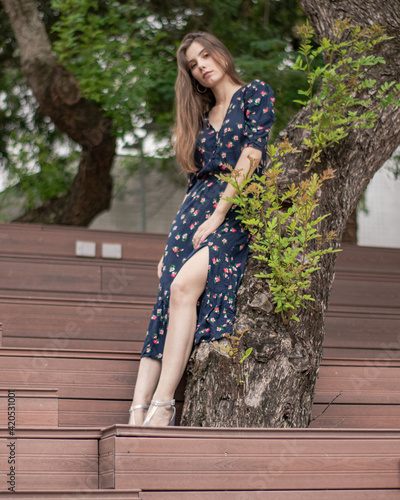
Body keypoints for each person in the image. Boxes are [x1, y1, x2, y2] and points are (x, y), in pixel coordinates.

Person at [128, 31, 275, 427]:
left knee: (181, 288)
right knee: (165, 301)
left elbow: (251, 157)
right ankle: (137, 409)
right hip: (192, 214)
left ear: (221, 54)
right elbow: (194, 184)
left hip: (236, 208)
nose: (202, 66)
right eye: (193, 64)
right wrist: (167, 247)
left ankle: (163, 405)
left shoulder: (254, 94)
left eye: (206, 56)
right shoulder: (199, 115)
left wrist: (218, 215)